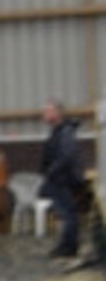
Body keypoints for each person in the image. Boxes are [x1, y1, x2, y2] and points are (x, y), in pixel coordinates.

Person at [38, 99, 85, 260]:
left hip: (63, 180)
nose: (44, 115)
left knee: (69, 214)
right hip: (59, 179)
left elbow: (67, 156)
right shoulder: (59, 131)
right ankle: (67, 245)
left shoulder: (65, 132)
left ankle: (69, 248)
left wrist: (51, 172)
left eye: (48, 111)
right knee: (66, 214)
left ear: (57, 113)